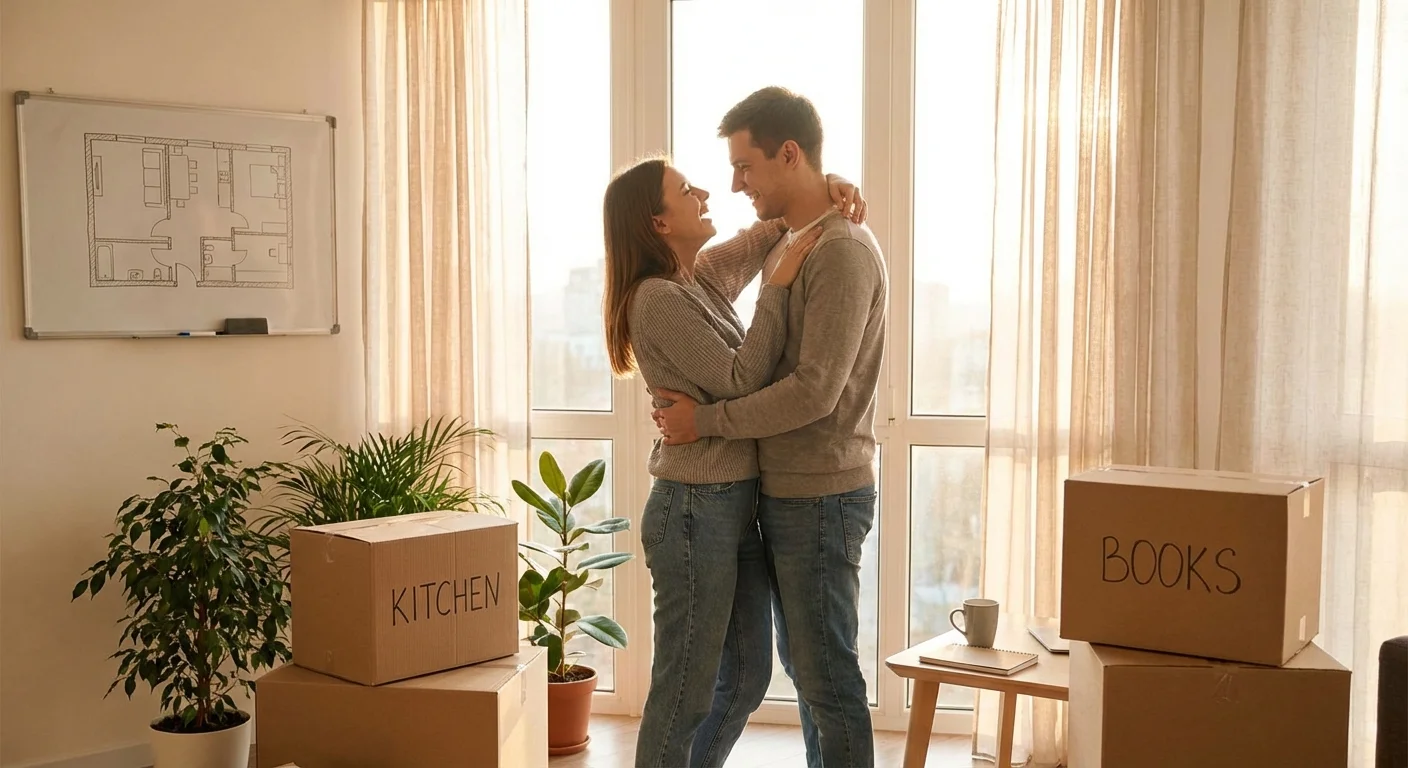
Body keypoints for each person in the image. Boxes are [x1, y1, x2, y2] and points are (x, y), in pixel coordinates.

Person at [602, 155, 867, 768]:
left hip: (731, 507)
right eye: (683, 188)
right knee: (685, 690)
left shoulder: (696, 278)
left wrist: (829, 189)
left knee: (746, 676)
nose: (703, 190)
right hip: (693, 512)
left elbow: (763, 232)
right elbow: (741, 377)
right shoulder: (658, 300)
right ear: (658, 222)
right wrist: (777, 288)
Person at [652, 86, 888, 768]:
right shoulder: (795, 238)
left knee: (825, 680)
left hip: (821, 494)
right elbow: (693, 278)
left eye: (745, 166)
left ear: (789, 154)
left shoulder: (839, 252)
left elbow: (815, 392)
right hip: (788, 490)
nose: (734, 183)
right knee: (810, 676)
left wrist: (706, 422)